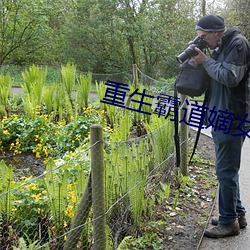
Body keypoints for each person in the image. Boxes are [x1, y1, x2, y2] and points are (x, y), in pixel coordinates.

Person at [192, 15, 250, 238]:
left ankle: (228, 223)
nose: (203, 41)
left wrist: (205, 61)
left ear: (216, 32)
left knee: (225, 171)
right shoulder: (221, 46)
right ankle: (237, 214)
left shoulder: (238, 44)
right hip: (221, 116)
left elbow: (229, 77)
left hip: (233, 117)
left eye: (204, 37)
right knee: (227, 170)